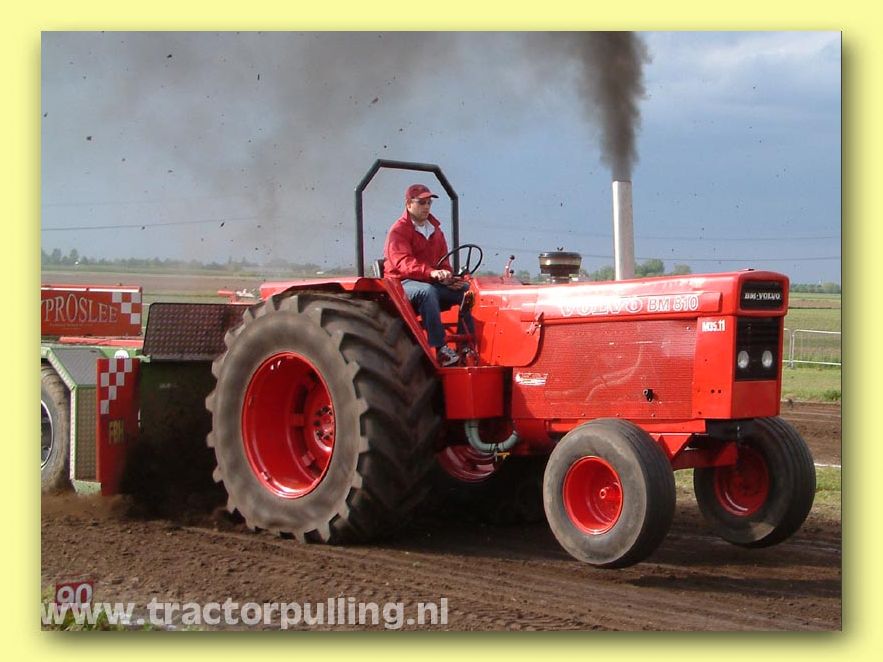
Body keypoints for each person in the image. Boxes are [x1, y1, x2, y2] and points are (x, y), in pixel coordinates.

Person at [383, 184, 472, 367]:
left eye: (429, 203)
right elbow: (403, 263)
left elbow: (443, 261)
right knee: (427, 292)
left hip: (428, 280)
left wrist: (448, 278)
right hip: (401, 284)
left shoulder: (435, 230)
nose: (426, 207)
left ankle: (466, 347)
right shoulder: (398, 231)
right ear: (409, 204)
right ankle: (441, 349)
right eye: (421, 202)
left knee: (468, 292)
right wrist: (431, 273)